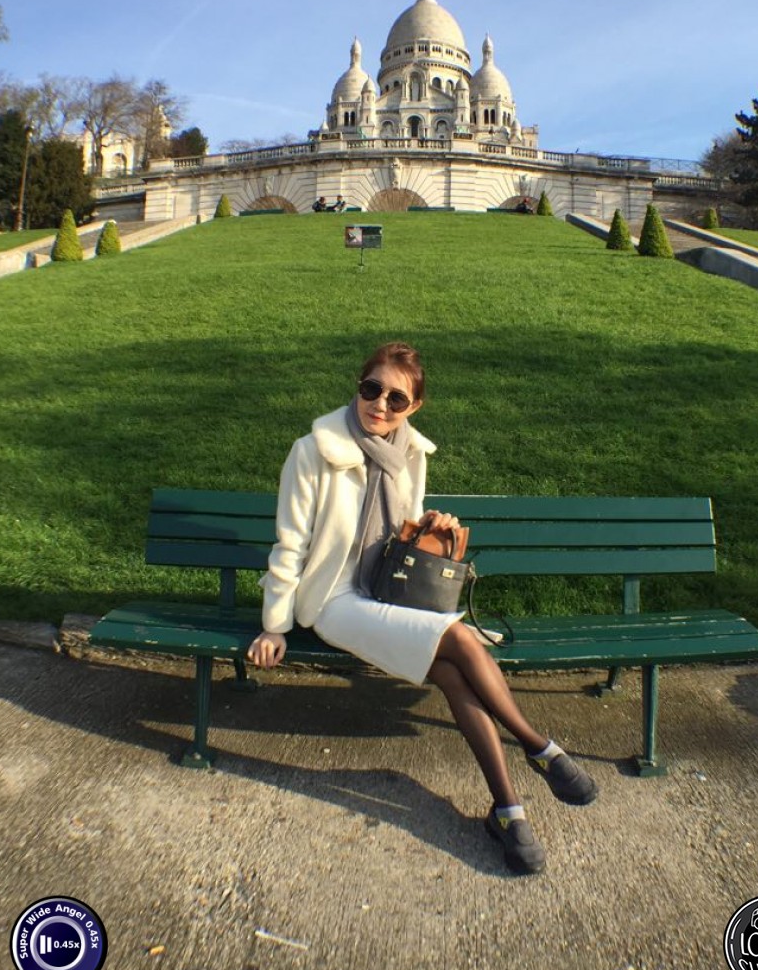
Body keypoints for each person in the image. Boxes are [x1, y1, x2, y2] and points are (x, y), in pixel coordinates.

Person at [248, 342, 597, 874]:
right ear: (357, 387)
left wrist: (429, 530)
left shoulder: (411, 452)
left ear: (413, 408)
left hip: (387, 593)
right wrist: (274, 624)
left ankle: (508, 810)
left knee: (456, 676)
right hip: (335, 600)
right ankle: (539, 746)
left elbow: (399, 537)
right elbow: (290, 543)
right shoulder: (313, 450)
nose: (380, 405)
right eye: (371, 389)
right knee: (460, 639)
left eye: (396, 398)